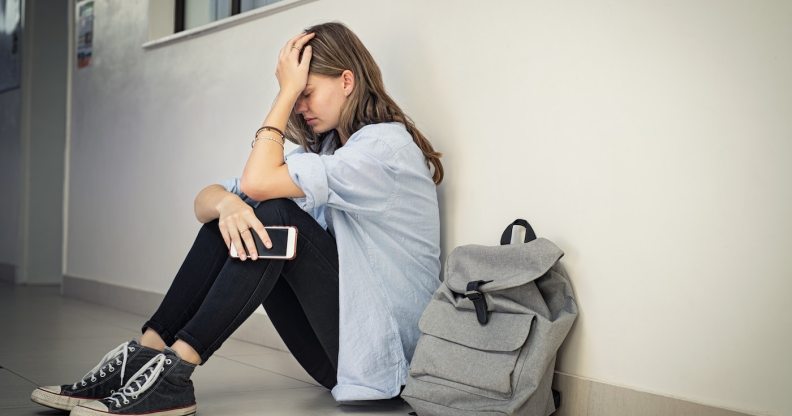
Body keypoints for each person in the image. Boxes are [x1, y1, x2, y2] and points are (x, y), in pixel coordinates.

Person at [30, 21, 443, 416]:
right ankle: (147, 355)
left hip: (387, 361)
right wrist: (228, 206)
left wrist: (283, 95)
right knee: (231, 216)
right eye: (295, 98)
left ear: (347, 82)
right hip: (343, 358)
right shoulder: (328, 151)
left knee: (275, 213)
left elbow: (259, 181)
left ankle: (176, 372)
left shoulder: (384, 149)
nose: (300, 109)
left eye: (306, 94)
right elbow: (206, 200)